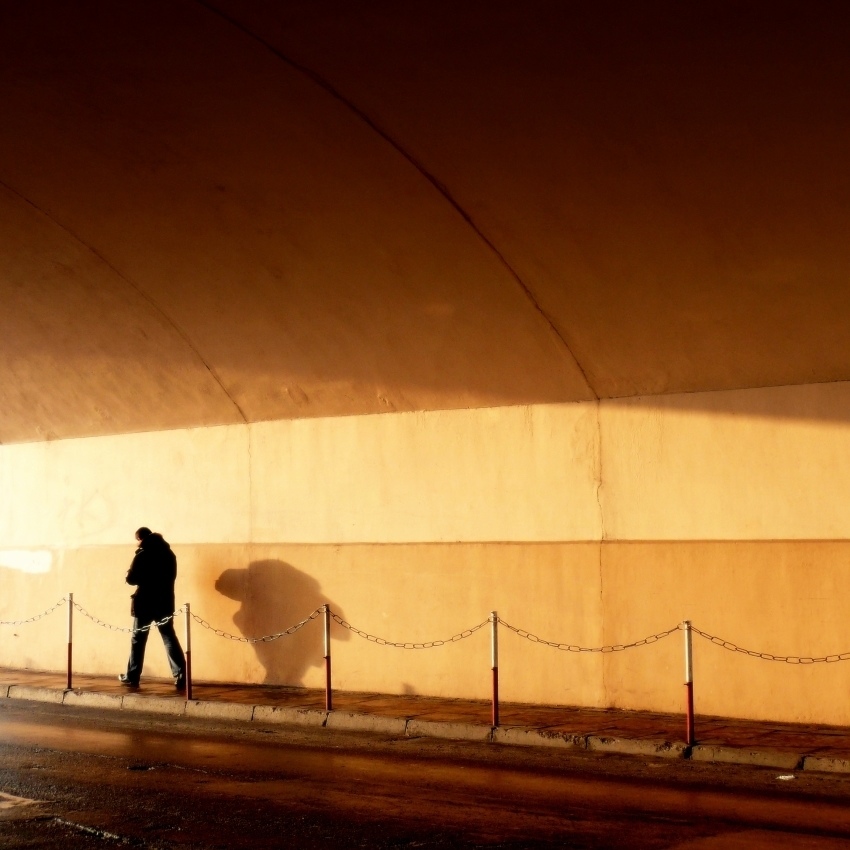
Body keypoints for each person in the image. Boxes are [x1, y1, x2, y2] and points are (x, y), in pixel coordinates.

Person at [118, 527, 186, 690]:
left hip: (145, 602)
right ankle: (181, 675)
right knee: (168, 637)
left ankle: (132, 676)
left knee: (138, 640)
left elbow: (132, 579)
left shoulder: (143, 555)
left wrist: (130, 574)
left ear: (140, 539)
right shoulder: (169, 554)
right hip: (165, 601)